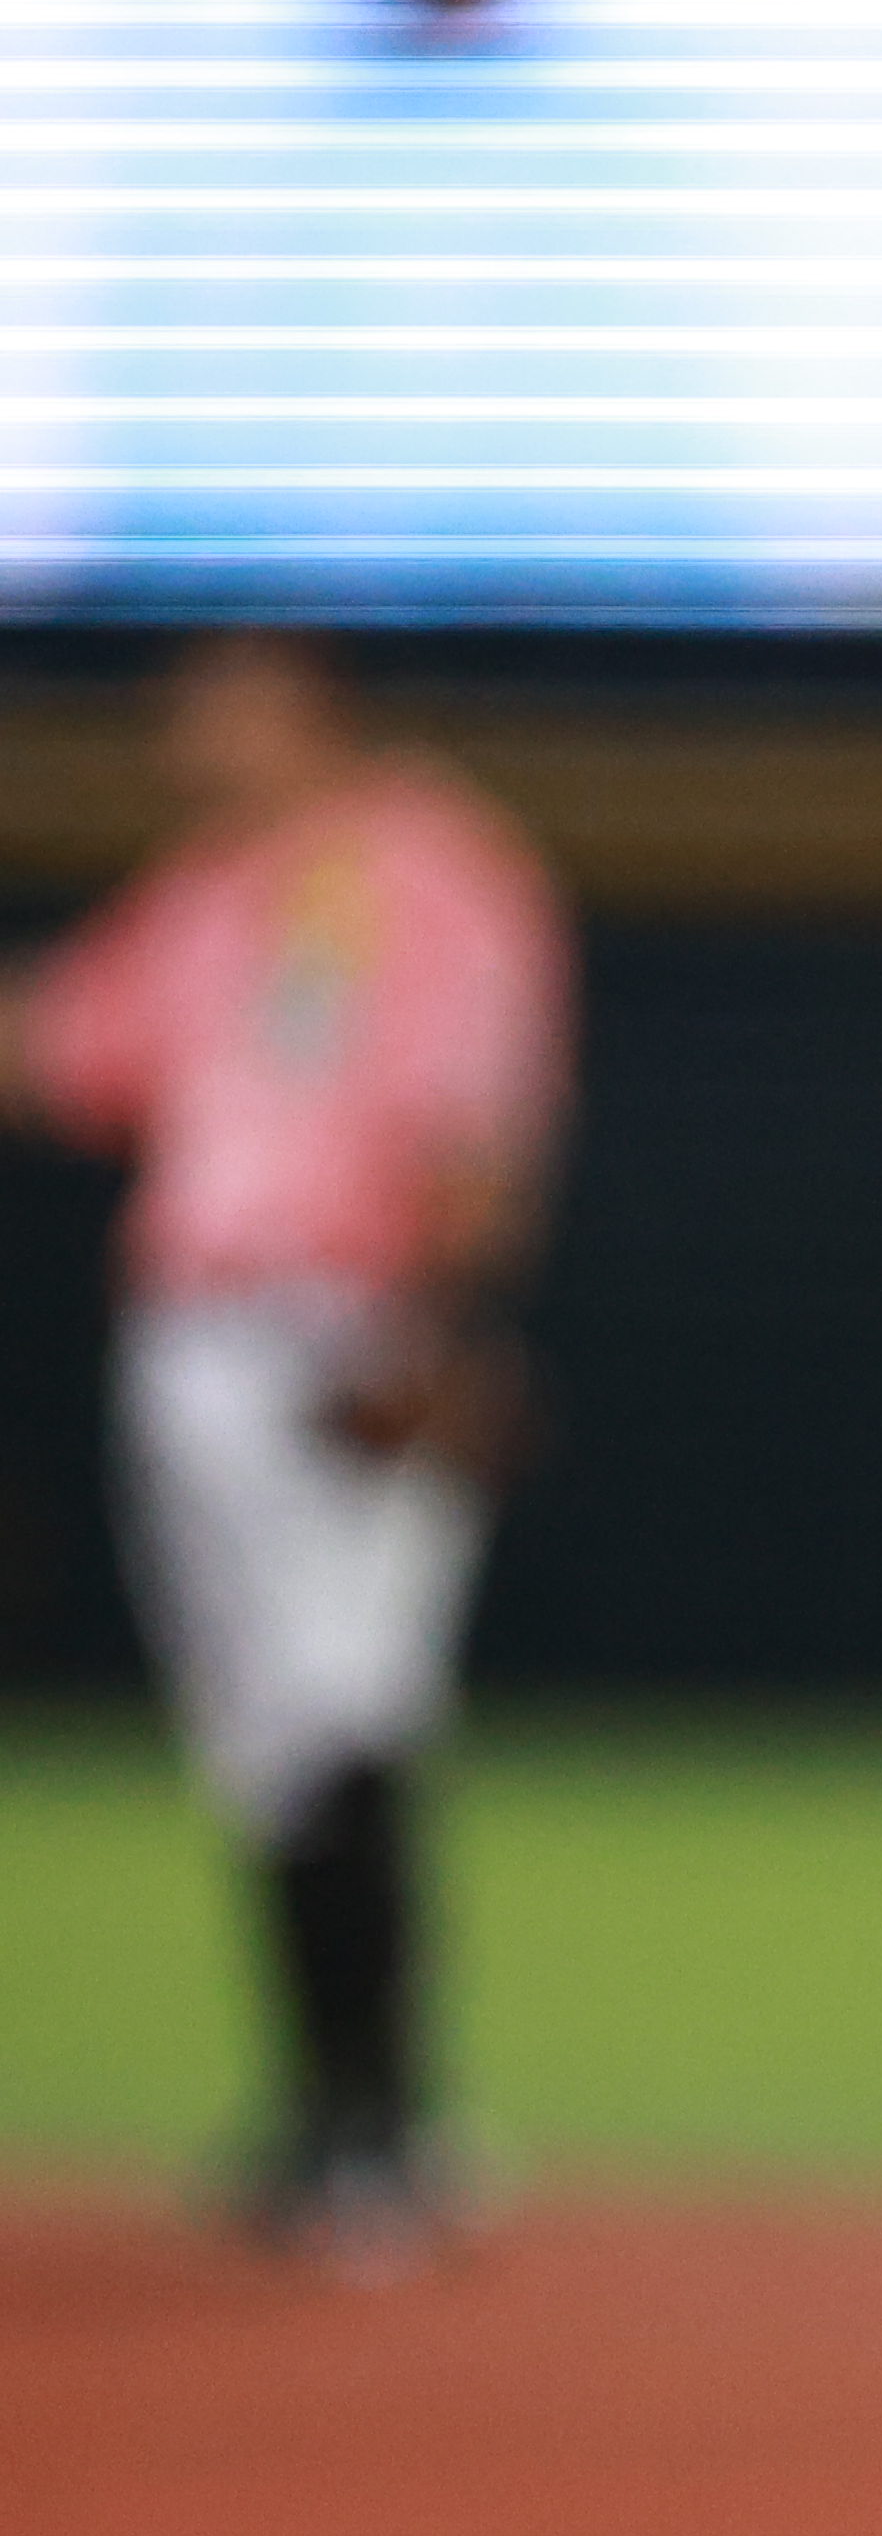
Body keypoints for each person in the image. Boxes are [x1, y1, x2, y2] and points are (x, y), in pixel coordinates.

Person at [9, 629, 568, 2266]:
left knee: (345, 1703)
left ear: (313, 708)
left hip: (350, 1331)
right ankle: (336, 2116)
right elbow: (66, 1048)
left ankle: (380, 2127)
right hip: (197, 1341)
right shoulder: (207, 890)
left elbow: (479, 1122)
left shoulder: (429, 863)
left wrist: (442, 1331)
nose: (188, 727)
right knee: (269, 1734)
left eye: (223, 698)